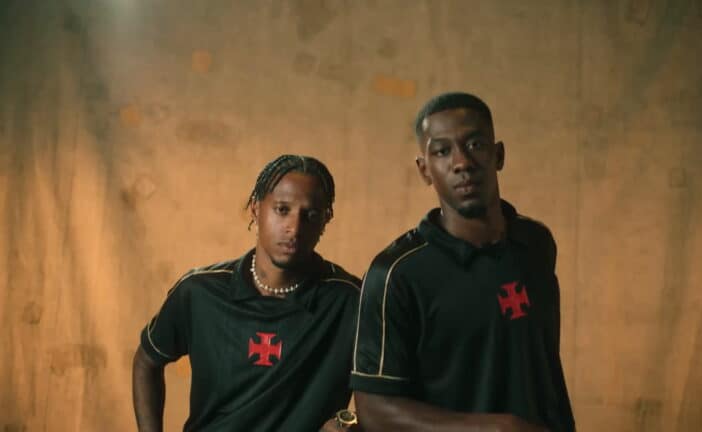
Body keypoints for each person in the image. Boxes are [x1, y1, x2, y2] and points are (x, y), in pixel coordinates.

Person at [350, 92, 576, 432]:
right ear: (425, 170)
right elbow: (374, 410)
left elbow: (539, 368)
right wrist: (493, 428)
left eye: (475, 145)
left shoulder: (536, 245)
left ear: (498, 155)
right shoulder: (395, 274)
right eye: (442, 151)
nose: (462, 163)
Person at [132, 155, 361, 431]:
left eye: (310, 215)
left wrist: (349, 425)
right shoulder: (199, 292)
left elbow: (386, 393)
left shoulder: (351, 301)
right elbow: (147, 361)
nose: (294, 228)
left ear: (326, 220)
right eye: (282, 209)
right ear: (255, 208)